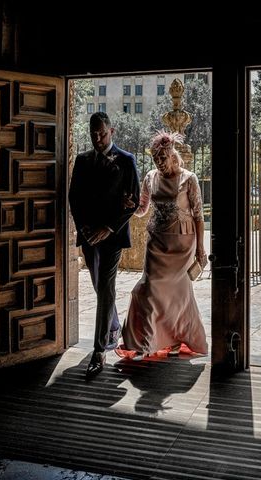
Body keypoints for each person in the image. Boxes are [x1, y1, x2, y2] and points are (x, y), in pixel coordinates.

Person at [116, 131, 208, 360]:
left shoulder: (189, 179)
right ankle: (144, 342)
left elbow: (198, 215)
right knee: (147, 289)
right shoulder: (150, 177)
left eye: (163, 159)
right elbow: (142, 210)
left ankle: (176, 338)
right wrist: (130, 205)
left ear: (172, 155)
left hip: (182, 245)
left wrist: (201, 249)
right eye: (156, 160)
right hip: (156, 243)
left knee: (178, 295)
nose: (159, 164)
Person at [68, 112, 140, 379]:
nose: (97, 139)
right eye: (93, 134)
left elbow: (131, 203)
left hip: (113, 235)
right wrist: (85, 227)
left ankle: (99, 350)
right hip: (88, 234)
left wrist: (107, 227)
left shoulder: (127, 161)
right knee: (98, 285)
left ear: (112, 131)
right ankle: (113, 326)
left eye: (102, 133)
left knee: (107, 288)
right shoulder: (83, 160)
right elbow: (74, 196)